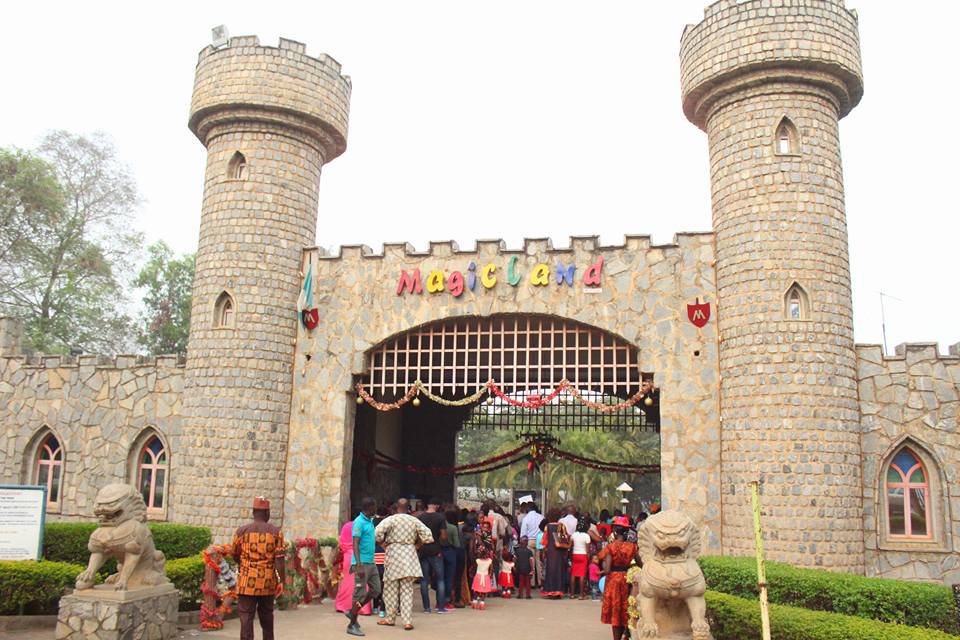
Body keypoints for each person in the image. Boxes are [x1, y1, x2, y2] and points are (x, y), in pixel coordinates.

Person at [375, 498, 434, 631]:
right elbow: (428, 536)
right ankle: (407, 621)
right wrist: (417, 545)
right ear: (408, 508)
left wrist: (382, 544)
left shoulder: (391, 520)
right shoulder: (414, 520)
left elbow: (377, 533)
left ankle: (390, 618)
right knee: (407, 590)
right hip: (409, 555)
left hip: (394, 555)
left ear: (396, 507)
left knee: (390, 590)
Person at [232, 497, 285, 640]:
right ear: (267, 513)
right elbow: (279, 560)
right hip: (267, 583)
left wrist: (244, 566)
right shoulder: (276, 532)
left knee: (246, 618)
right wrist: (281, 582)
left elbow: (235, 554)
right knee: (267, 618)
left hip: (246, 583)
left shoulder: (241, 532)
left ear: (253, 512)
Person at [597, 517, 639, 640]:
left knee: (616, 611)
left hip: (613, 582)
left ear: (615, 531)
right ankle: (626, 635)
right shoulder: (632, 547)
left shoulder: (610, 547)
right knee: (626, 609)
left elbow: (607, 569)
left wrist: (603, 568)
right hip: (627, 579)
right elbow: (640, 563)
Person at [347, 497, 381, 637]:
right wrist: (358, 565)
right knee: (359, 594)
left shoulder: (370, 521)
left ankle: (352, 612)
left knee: (376, 590)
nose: (376, 509)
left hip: (371, 563)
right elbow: (355, 543)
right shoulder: (359, 522)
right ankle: (352, 625)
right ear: (370, 507)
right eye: (375, 506)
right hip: (362, 564)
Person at [335, 518, 372, 617]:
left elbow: (341, 543)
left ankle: (343, 605)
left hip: (348, 556)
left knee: (347, 581)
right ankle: (363, 608)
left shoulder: (346, 526)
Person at [417, 498, 448, 613]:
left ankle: (426, 608)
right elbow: (444, 536)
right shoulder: (440, 517)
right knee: (440, 579)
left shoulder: (420, 517)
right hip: (436, 550)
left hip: (423, 550)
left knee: (424, 580)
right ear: (436, 505)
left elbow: (417, 534)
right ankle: (441, 607)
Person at [541, 508, 569, 599]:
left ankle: (550, 590)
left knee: (550, 570)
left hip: (550, 551)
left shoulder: (547, 526)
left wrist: (544, 551)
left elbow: (544, 541)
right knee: (559, 571)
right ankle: (558, 591)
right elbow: (565, 539)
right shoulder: (561, 526)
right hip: (559, 552)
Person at [470, 519, 496, 609]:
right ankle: (478, 601)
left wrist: (479, 536)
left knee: (479, 587)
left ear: (489, 528)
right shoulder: (478, 535)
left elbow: (488, 546)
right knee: (479, 587)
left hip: (485, 556)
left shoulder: (487, 535)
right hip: (480, 557)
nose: (484, 529)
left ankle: (478, 601)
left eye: (486, 527)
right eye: (483, 527)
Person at [519, 503, 544, 587]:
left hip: (530, 541)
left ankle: (532, 583)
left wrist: (522, 543)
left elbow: (523, 533)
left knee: (530, 562)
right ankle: (540, 582)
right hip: (540, 540)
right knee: (539, 562)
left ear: (528, 508)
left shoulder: (526, 518)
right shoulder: (541, 517)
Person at [445, 509, 465, 608]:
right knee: (458, 577)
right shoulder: (459, 528)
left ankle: (446, 598)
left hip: (446, 552)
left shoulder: (444, 527)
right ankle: (457, 599)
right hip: (459, 552)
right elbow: (458, 544)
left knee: (447, 577)